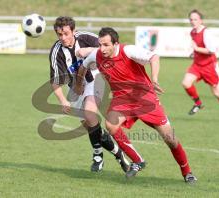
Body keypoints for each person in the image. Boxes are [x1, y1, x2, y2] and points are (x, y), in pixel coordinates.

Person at [75, 27, 197, 183]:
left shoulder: (128, 51)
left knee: (170, 139)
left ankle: (187, 172)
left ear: (116, 44)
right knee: (111, 125)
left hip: (145, 98)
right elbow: (83, 66)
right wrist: (79, 84)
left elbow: (154, 57)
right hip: (122, 99)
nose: (102, 49)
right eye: (100, 45)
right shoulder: (97, 55)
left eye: (106, 45)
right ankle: (138, 160)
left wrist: (154, 79)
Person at [49, 16, 129, 173]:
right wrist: (63, 100)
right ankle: (119, 154)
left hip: (96, 79)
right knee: (89, 125)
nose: (63, 38)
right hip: (76, 88)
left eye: (66, 33)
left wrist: (90, 50)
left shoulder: (86, 38)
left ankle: (97, 156)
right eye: (59, 34)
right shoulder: (56, 52)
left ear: (74, 31)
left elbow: (109, 50)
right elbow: (55, 81)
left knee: (90, 114)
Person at [182, 9, 219, 115]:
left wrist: (196, 49)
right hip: (197, 65)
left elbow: (211, 50)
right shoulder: (193, 32)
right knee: (186, 83)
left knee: (217, 93)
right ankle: (198, 103)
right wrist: (194, 52)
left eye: (195, 19)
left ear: (201, 20)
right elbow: (198, 48)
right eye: (191, 19)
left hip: (209, 66)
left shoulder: (206, 33)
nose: (193, 21)